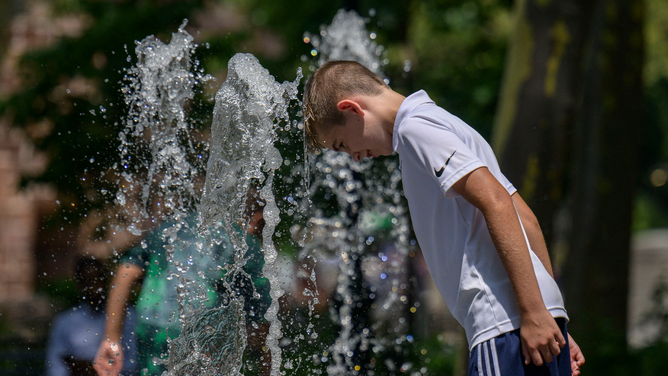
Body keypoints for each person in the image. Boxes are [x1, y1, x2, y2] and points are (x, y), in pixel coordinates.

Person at [302, 60, 586, 376]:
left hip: (503, 322)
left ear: (352, 109)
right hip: (527, 317)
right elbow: (526, 219)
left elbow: (496, 203)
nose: (354, 156)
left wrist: (533, 313)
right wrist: (547, 313)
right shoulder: (443, 122)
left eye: (342, 144)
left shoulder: (415, 129)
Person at [93, 199, 270, 376]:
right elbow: (264, 325)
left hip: (152, 326)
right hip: (201, 335)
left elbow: (126, 271)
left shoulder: (173, 227)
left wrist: (111, 338)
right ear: (258, 218)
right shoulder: (246, 244)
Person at [46, 256, 138, 376]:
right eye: (87, 281)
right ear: (79, 284)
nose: (94, 287)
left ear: (106, 281)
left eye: (97, 279)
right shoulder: (65, 321)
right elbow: (55, 367)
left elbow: (134, 363)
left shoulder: (126, 317)